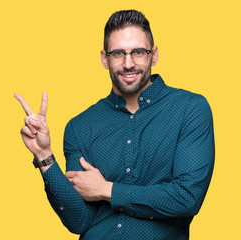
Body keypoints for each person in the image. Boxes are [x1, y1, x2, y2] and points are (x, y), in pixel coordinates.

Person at [15, 9, 214, 240]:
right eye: (118, 53)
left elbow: (187, 198)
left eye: (138, 52)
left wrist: (106, 190)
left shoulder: (189, 109)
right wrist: (43, 155)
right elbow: (79, 221)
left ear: (154, 55)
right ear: (104, 58)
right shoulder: (80, 126)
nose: (128, 63)